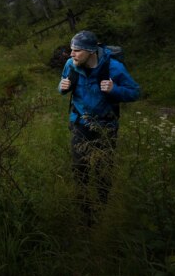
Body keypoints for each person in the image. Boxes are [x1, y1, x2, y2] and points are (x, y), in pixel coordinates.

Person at [58, 30, 140, 219]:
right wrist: (62, 89)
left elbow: (135, 92)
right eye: (72, 50)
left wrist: (115, 90)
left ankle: (103, 209)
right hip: (80, 124)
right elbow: (63, 86)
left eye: (76, 50)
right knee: (80, 168)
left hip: (106, 126)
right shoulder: (71, 65)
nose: (71, 54)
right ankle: (84, 211)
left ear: (91, 51)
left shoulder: (114, 67)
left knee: (103, 169)